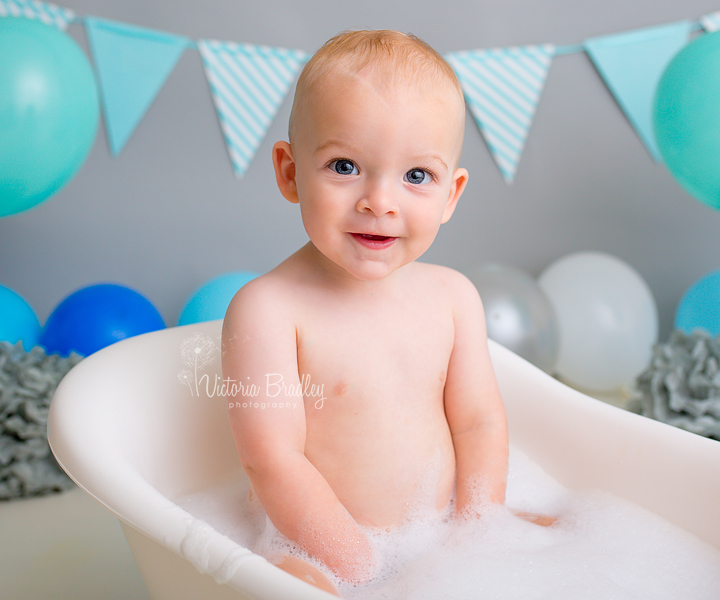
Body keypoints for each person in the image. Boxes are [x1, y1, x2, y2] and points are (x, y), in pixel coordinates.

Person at [222, 29, 549, 596]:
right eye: (345, 166)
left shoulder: (452, 298)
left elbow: (479, 424)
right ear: (290, 172)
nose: (380, 201)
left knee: (554, 539)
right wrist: (366, 570)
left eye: (416, 176)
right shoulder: (267, 310)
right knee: (287, 585)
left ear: (451, 194)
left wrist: (477, 534)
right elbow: (272, 461)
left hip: (437, 540)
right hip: (325, 551)